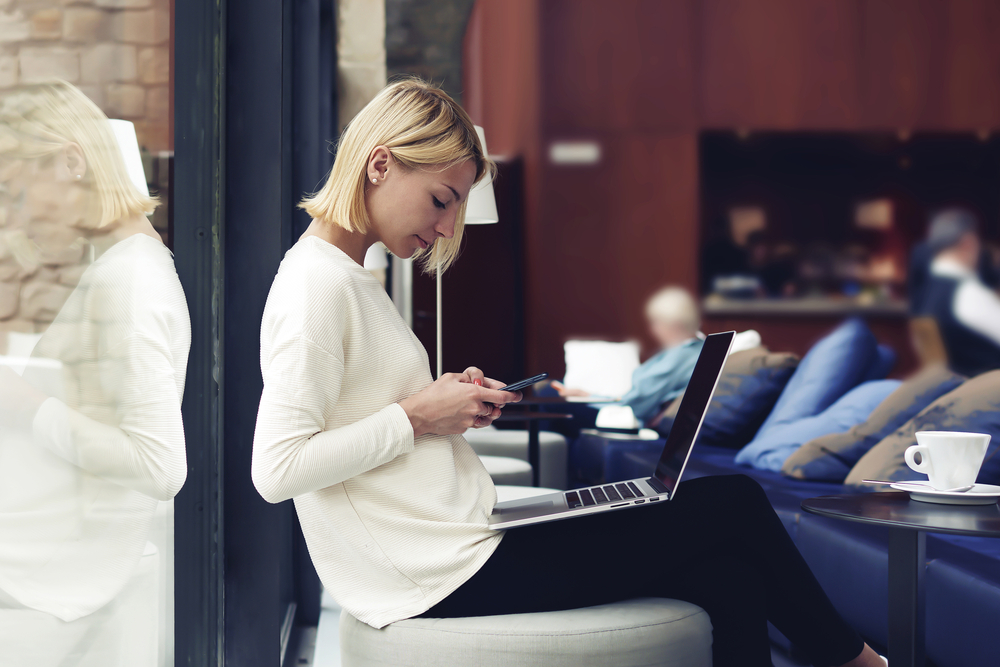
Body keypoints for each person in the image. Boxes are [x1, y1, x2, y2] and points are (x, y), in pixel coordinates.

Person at [251, 78, 884, 667]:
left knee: (730, 576)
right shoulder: (317, 288)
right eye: (442, 200)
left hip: (459, 540)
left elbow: (371, 414)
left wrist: (443, 403)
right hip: (436, 568)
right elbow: (276, 470)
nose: (448, 227)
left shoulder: (352, 279)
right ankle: (862, 663)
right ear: (380, 163)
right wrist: (418, 416)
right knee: (735, 502)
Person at [0, 81, 190, 666]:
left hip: (49, 574)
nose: (18, 213)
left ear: (72, 161)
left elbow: (159, 466)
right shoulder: (114, 266)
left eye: (18, 190)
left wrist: (26, 403)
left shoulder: (131, 282)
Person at [552, 287, 704, 425]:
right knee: (557, 392)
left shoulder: (680, 357)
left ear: (671, 324)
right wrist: (586, 394)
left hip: (629, 417)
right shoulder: (697, 348)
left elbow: (634, 403)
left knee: (550, 397)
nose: (652, 330)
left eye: (655, 323)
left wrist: (589, 396)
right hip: (631, 408)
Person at [913, 208, 1000, 377]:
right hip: (989, 395)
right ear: (968, 242)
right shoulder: (967, 292)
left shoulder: (927, 292)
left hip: (961, 394)